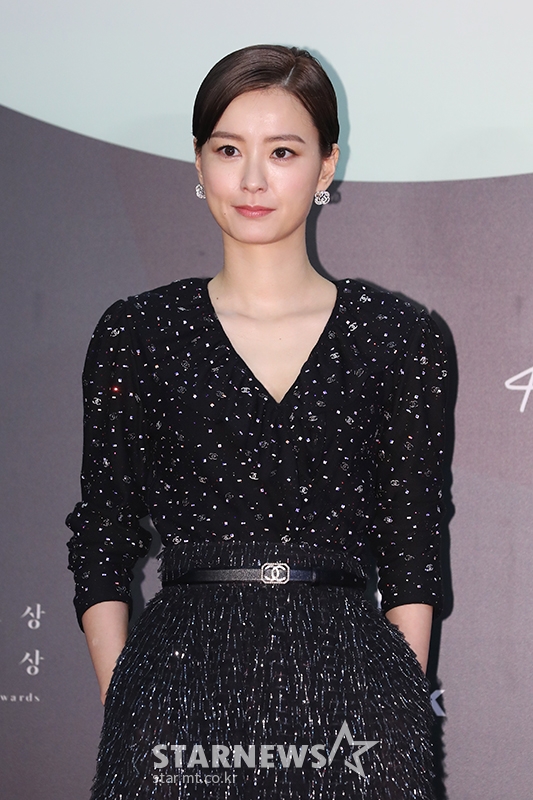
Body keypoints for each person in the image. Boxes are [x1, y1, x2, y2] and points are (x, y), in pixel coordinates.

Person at [66, 44, 449, 799]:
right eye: (228, 149)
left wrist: (398, 708)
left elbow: (413, 547)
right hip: (175, 686)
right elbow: (103, 534)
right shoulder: (140, 333)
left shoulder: (397, 337)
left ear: (326, 165)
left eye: (282, 151)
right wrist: (126, 699)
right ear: (198, 162)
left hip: (352, 690)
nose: (251, 179)